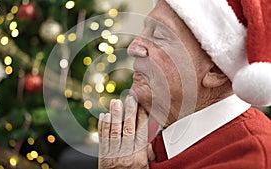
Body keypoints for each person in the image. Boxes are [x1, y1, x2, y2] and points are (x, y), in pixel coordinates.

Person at [98, 0, 271, 168]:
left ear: (215, 71)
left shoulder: (252, 157)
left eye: (158, 36)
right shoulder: (155, 145)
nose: (133, 48)